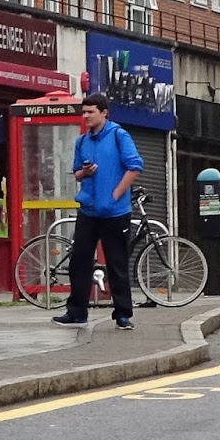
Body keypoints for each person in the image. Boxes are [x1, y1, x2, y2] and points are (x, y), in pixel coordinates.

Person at [53, 92, 143, 330]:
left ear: (104, 113)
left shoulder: (118, 135)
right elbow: (76, 173)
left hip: (114, 212)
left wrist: (116, 194)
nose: (86, 116)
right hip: (89, 210)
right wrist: (86, 173)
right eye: (84, 112)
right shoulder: (82, 141)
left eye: (91, 112)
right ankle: (77, 312)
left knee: (117, 264)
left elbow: (134, 167)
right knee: (79, 261)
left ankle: (123, 314)